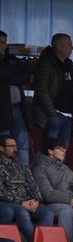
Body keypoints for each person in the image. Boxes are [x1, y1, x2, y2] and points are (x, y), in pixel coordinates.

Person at [0, 136, 54, 242]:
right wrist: (21, 203)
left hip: (27, 202)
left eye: (15, 146)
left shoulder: (22, 165)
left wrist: (36, 201)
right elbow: (2, 193)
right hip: (8, 203)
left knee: (47, 213)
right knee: (22, 212)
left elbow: (33, 185)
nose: (15, 149)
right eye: (10, 146)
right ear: (1, 148)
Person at [31, 33, 73, 153]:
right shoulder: (46, 63)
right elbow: (41, 90)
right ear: (59, 46)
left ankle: (58, 172)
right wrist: (51, 113)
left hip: (68, 116)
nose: (72, 48)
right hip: (54, 114)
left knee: (62, 152)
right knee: (51, 151)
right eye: (69, 44)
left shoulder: (69, 65)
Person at [31, 141, 73, 242]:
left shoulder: (66, 169)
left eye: (64, 149)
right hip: (46, 205)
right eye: (60, 148)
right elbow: (46, 194)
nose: (63, 151)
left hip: (68, 202)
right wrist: (69, 200)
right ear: (50, 151)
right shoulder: (40, 167)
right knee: (66, 210)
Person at [0, 31, 33, 164]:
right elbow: (2, 73)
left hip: (18, 107)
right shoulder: (12, 63)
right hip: (3, 109)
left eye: (5, 42)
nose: (5, 46)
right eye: (1, 42)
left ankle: (25, 177)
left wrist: (8, 77)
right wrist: (13, 72)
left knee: (22, 144)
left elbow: (26, 74)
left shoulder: (11, 58)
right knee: (5, 143)